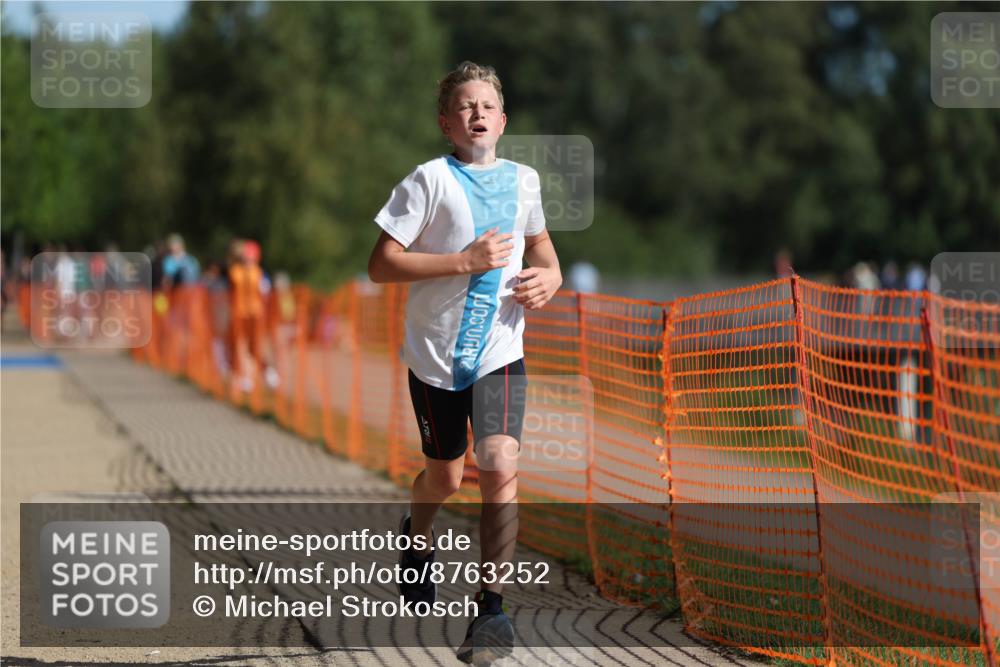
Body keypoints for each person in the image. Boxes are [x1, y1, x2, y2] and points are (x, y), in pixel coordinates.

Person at [367, 61, 562, 665]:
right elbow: (381, 265)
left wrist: (551, 277)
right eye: (464, 106)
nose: (477, 113)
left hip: (501, 349)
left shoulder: (525, 181)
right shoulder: (427, 181)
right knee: (445, 478)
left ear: (503, 121)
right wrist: (463, 261)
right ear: (446, 124)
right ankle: (417, 535)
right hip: (436, 357)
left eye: (487, 106)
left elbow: (542, 248)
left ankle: (491, 609)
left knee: (499, 461)